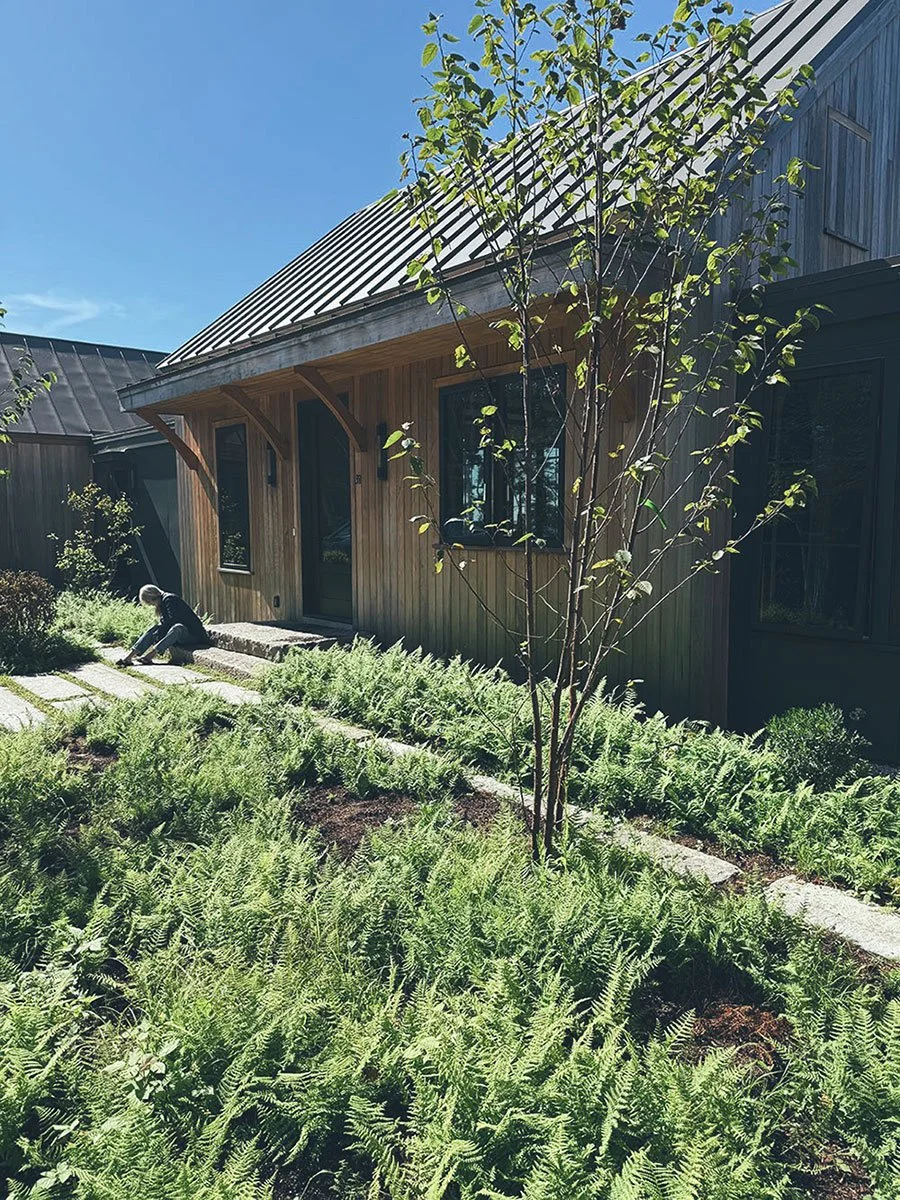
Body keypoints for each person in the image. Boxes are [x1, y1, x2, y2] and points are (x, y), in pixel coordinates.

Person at [117, 584, 210, 666]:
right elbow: (166, 623)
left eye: (150, 603)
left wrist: (160, 632)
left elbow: (173, 620)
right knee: (154, 628)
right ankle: (129, 657)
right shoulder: (163, 602)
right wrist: (158, 631)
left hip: (193, 635)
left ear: (153, 598)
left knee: (178, 627)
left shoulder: (170, 600)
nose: (152, 605)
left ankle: (151, 655)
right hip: (179, 635)